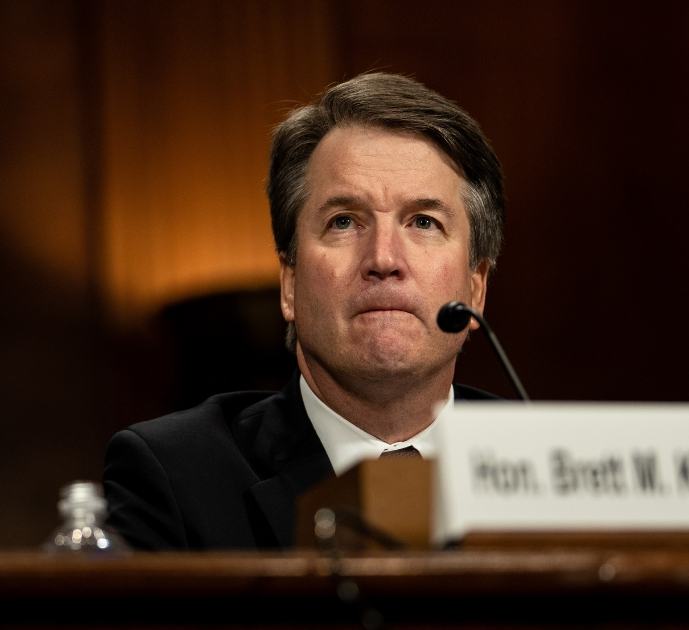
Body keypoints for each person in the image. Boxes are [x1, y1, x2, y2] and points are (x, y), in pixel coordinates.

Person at [103, 73, 506, 550]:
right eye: (344, 222)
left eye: (423, 222)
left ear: (475, 287)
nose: (383, 259)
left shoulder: (557, 465)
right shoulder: (174, 476)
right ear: (290, 284)